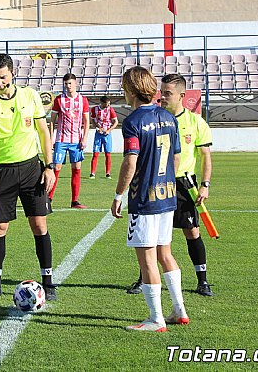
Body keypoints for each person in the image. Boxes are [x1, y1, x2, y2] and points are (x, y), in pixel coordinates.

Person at [0, 53, 58, 301]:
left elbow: (43, 131)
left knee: (39, 225)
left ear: (12, 74)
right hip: (2, 171)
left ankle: (48, 282)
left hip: (32, 169)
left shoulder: (30, 95)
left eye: (3, 77)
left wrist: (49, 166)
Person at [111, 66, 188, 332]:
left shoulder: (132, 122)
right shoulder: (168, 117)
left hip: (144, 200)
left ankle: (156, 319)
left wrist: (119, 195)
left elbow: (130, 162)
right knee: (165, 253)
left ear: (131, 90)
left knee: (147, 260)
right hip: (167, 196)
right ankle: (179, 310)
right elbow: (176, 156)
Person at [126, 74, 214, 296]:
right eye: (161, 92)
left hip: (184, 183)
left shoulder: (196, 123)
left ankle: (202, 280)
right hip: (157, 183)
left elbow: (205, 156)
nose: (162, 97)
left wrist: (204, 184)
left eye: (168, 93)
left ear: (182, 96)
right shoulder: (156, 117)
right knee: (151, 236)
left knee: (191, 231)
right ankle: (143, 277)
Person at [49, 73, 90, 208]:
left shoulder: (82, 100)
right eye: (66, 84)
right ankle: (48, 199)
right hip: (61, 139)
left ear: (75, 83)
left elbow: (86, 121)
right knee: (56, 169)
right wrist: (51, 139)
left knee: (76, 169)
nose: (68, 86)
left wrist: (84, 139)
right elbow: (52, 121)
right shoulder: (59, 100)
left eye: (70, 83)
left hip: (76, 141)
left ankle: (74, 201)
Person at [89, 95, 118, 179]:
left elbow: (116, 122)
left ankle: (108, 173)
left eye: (109, 103)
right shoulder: (95, 109)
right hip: (98, 134)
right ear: (102, 103)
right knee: (95, 153)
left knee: (108, 154)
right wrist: (97, 128)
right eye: (107, 103)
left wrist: (109, 130)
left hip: (107, 135)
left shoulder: (111, 110)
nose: (108, 105)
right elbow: (92, 120)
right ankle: (92, 173)